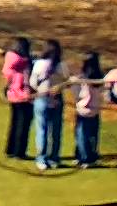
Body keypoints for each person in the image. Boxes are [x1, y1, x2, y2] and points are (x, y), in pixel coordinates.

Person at [29, 39, 71, 170]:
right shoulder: (62, 66)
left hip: (42, 98)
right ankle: (54, 158)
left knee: (42, 130)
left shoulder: (39, 64)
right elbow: (67, 82)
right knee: (56, 130)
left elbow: (33, 83)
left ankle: (42, 159)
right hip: (57, 99)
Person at [1, 37, 33, 159]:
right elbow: (26, 80)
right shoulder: (25, 63)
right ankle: (19, 151)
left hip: (12, 94)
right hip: (23, 96)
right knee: (23, 124)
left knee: (14, 122)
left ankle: (10, 149)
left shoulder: (9, 61)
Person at [74, 52, 104, 168]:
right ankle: (91, 156)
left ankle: (84, 158)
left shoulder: (82, 78)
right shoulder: (100, 77)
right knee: (93, 135)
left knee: (81, 135)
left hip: (83, 110)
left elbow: (77, 92)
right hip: (95, 110)